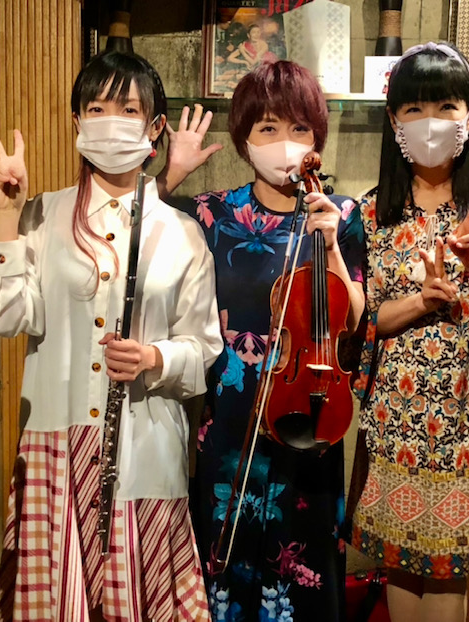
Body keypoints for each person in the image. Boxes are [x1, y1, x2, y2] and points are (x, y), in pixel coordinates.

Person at [0, 50, 223, 622]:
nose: (111, 120)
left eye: (128, 109)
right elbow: (0, 317)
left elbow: (204, 347)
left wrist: (155, 357)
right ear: (78, 122)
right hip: (54, 450)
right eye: (97, 107)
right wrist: (6, 215)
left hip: (145, 451)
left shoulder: (182, 233)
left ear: (154, 127)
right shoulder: (42, 215)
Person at [160, 61, 365, 621]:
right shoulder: (211, 214)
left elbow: (354, 317)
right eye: (268, 128)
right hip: (231, 421)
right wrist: (169, 177)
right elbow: (132, 228)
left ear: (317, 138)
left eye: (299, 128)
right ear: (244, 138)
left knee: (304, 579)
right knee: (225, 577)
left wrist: (332, 247)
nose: (284, 143)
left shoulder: (342, 215)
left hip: (310, 413)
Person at [349, 42, 469, 622]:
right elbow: (364, 323)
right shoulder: (371, 211)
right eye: (414, 108)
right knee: (399, 565)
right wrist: (421, 300)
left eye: (446, 106)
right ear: (393, 119)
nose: (429, 121)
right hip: (397, 414)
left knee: (449, 573)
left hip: (468, 416)